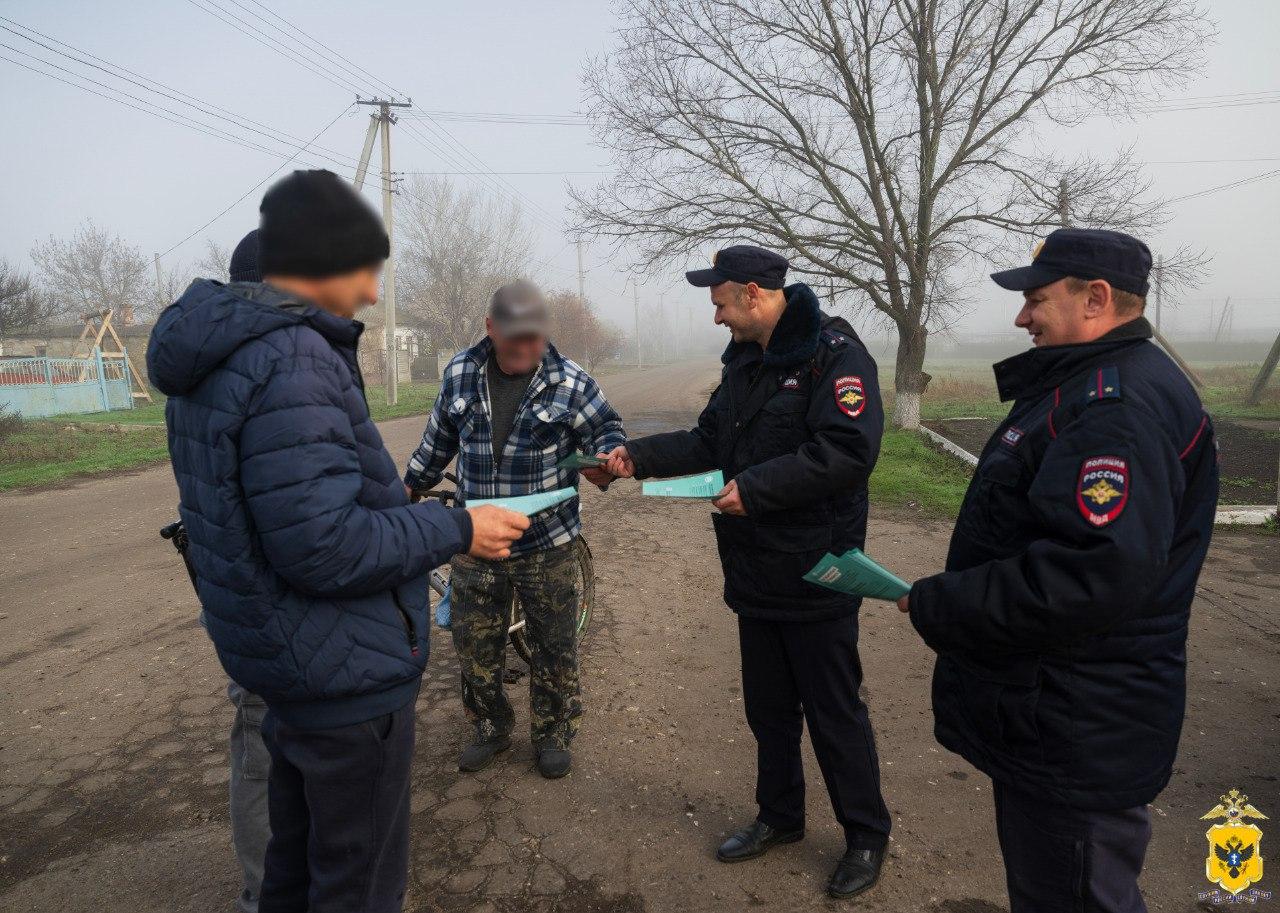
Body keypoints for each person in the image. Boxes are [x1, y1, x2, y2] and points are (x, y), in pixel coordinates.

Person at [147, 169, 528, 913]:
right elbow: (325, 545)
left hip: (289, 664)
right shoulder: (292, 357)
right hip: (342, 676)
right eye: (366, 271)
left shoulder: (221, 354)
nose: (374, 294)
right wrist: (459, 527)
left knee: (294, 874)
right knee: (356, 885)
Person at [897, 229, 1219, 913]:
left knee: (1074, 895)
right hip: (1060, 709)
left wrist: (944, 602)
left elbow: (1090, 574)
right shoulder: (1091, 385)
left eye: (1036, 300)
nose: (1022, 318)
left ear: (1096, 298)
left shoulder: (1116, 409)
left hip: (1076, 721)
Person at [603, 245, 891, 900]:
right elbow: (709, 441)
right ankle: (780, 815)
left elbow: (848, 450)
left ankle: (866, 833)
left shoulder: (834, 355)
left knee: (834, 711)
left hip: (817, 570)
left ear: (754, 295)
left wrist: (757, 488)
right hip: (756, 569)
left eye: (720, 304)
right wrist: (635, 458)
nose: (716, 317)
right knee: (769, 710)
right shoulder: (743, 361)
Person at [404, 279, 625, 780]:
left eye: (535, 337)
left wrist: (607, 460)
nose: (526, 348)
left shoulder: (571, 381)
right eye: (515, 338)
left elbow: (608, 430)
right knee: (474, 643)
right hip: (477, 539)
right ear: (490, 328)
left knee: (554, 645)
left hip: (547, 542)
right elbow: (436, 444)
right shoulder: (460, 374)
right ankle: (490, 726)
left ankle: (552, 732)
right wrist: (408, 489)